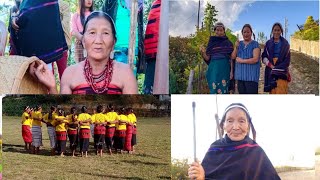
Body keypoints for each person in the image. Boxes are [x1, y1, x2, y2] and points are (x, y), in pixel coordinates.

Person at [31, 11, 138, 94]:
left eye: (105, 33)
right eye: (92, 32)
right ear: (83, 41)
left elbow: (131, 117)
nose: (98, 40)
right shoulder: (70, 73)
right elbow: (63, 116)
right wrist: (52, 87)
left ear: (113, 42)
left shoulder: (125, 73)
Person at [188, 103, 280, 180]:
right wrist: (201, 177)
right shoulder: (215, 148)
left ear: (248, 125)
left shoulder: (256, 152)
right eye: (230, 121)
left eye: (242, 121)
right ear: (223, 124)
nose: (236, 127)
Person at [200, 22, 234, 94]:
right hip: (213, 69)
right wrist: (203, 52)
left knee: (224, 89)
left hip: (224, 69)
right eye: (217, 30)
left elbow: (231, 59)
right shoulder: (211, 42)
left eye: (221, 30)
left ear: (224, 31)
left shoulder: (228, 43)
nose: (219, 32)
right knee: (214, 89)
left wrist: (231, 72)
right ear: (215, 31)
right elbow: (207, 58)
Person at [262, 22, 291, 94]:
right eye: (275, 30)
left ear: (281, 31)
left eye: (278, 30)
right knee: (272, 91)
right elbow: (264, 56)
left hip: (282, 70)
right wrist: (271, 66)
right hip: (270, 69)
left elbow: (287, 60)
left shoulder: (285, 44)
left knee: (281, 90)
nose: (276, 32)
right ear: (272, 31)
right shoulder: (268, 43)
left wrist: (277, 68)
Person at [231, 24, 261, 94]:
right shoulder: (239, 44)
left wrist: (242, 61)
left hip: (251, 78)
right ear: (242, 33)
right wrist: (236, 47)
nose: (246, 34)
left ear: (251, 33)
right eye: (244, 32)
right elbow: (232, 57)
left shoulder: (255, 44)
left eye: (248, 32)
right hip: (240, 77)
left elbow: (255, 59)